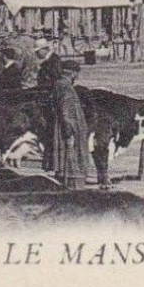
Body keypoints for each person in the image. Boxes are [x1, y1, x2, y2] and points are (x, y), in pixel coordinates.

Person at [50, 59, 90, 190]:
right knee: (73, 161)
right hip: (70, 131)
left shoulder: (59, 85)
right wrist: (69, 134)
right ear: (73, 73)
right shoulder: (66, 88)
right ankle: (73, 188)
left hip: (67, 129)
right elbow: (65, 113)